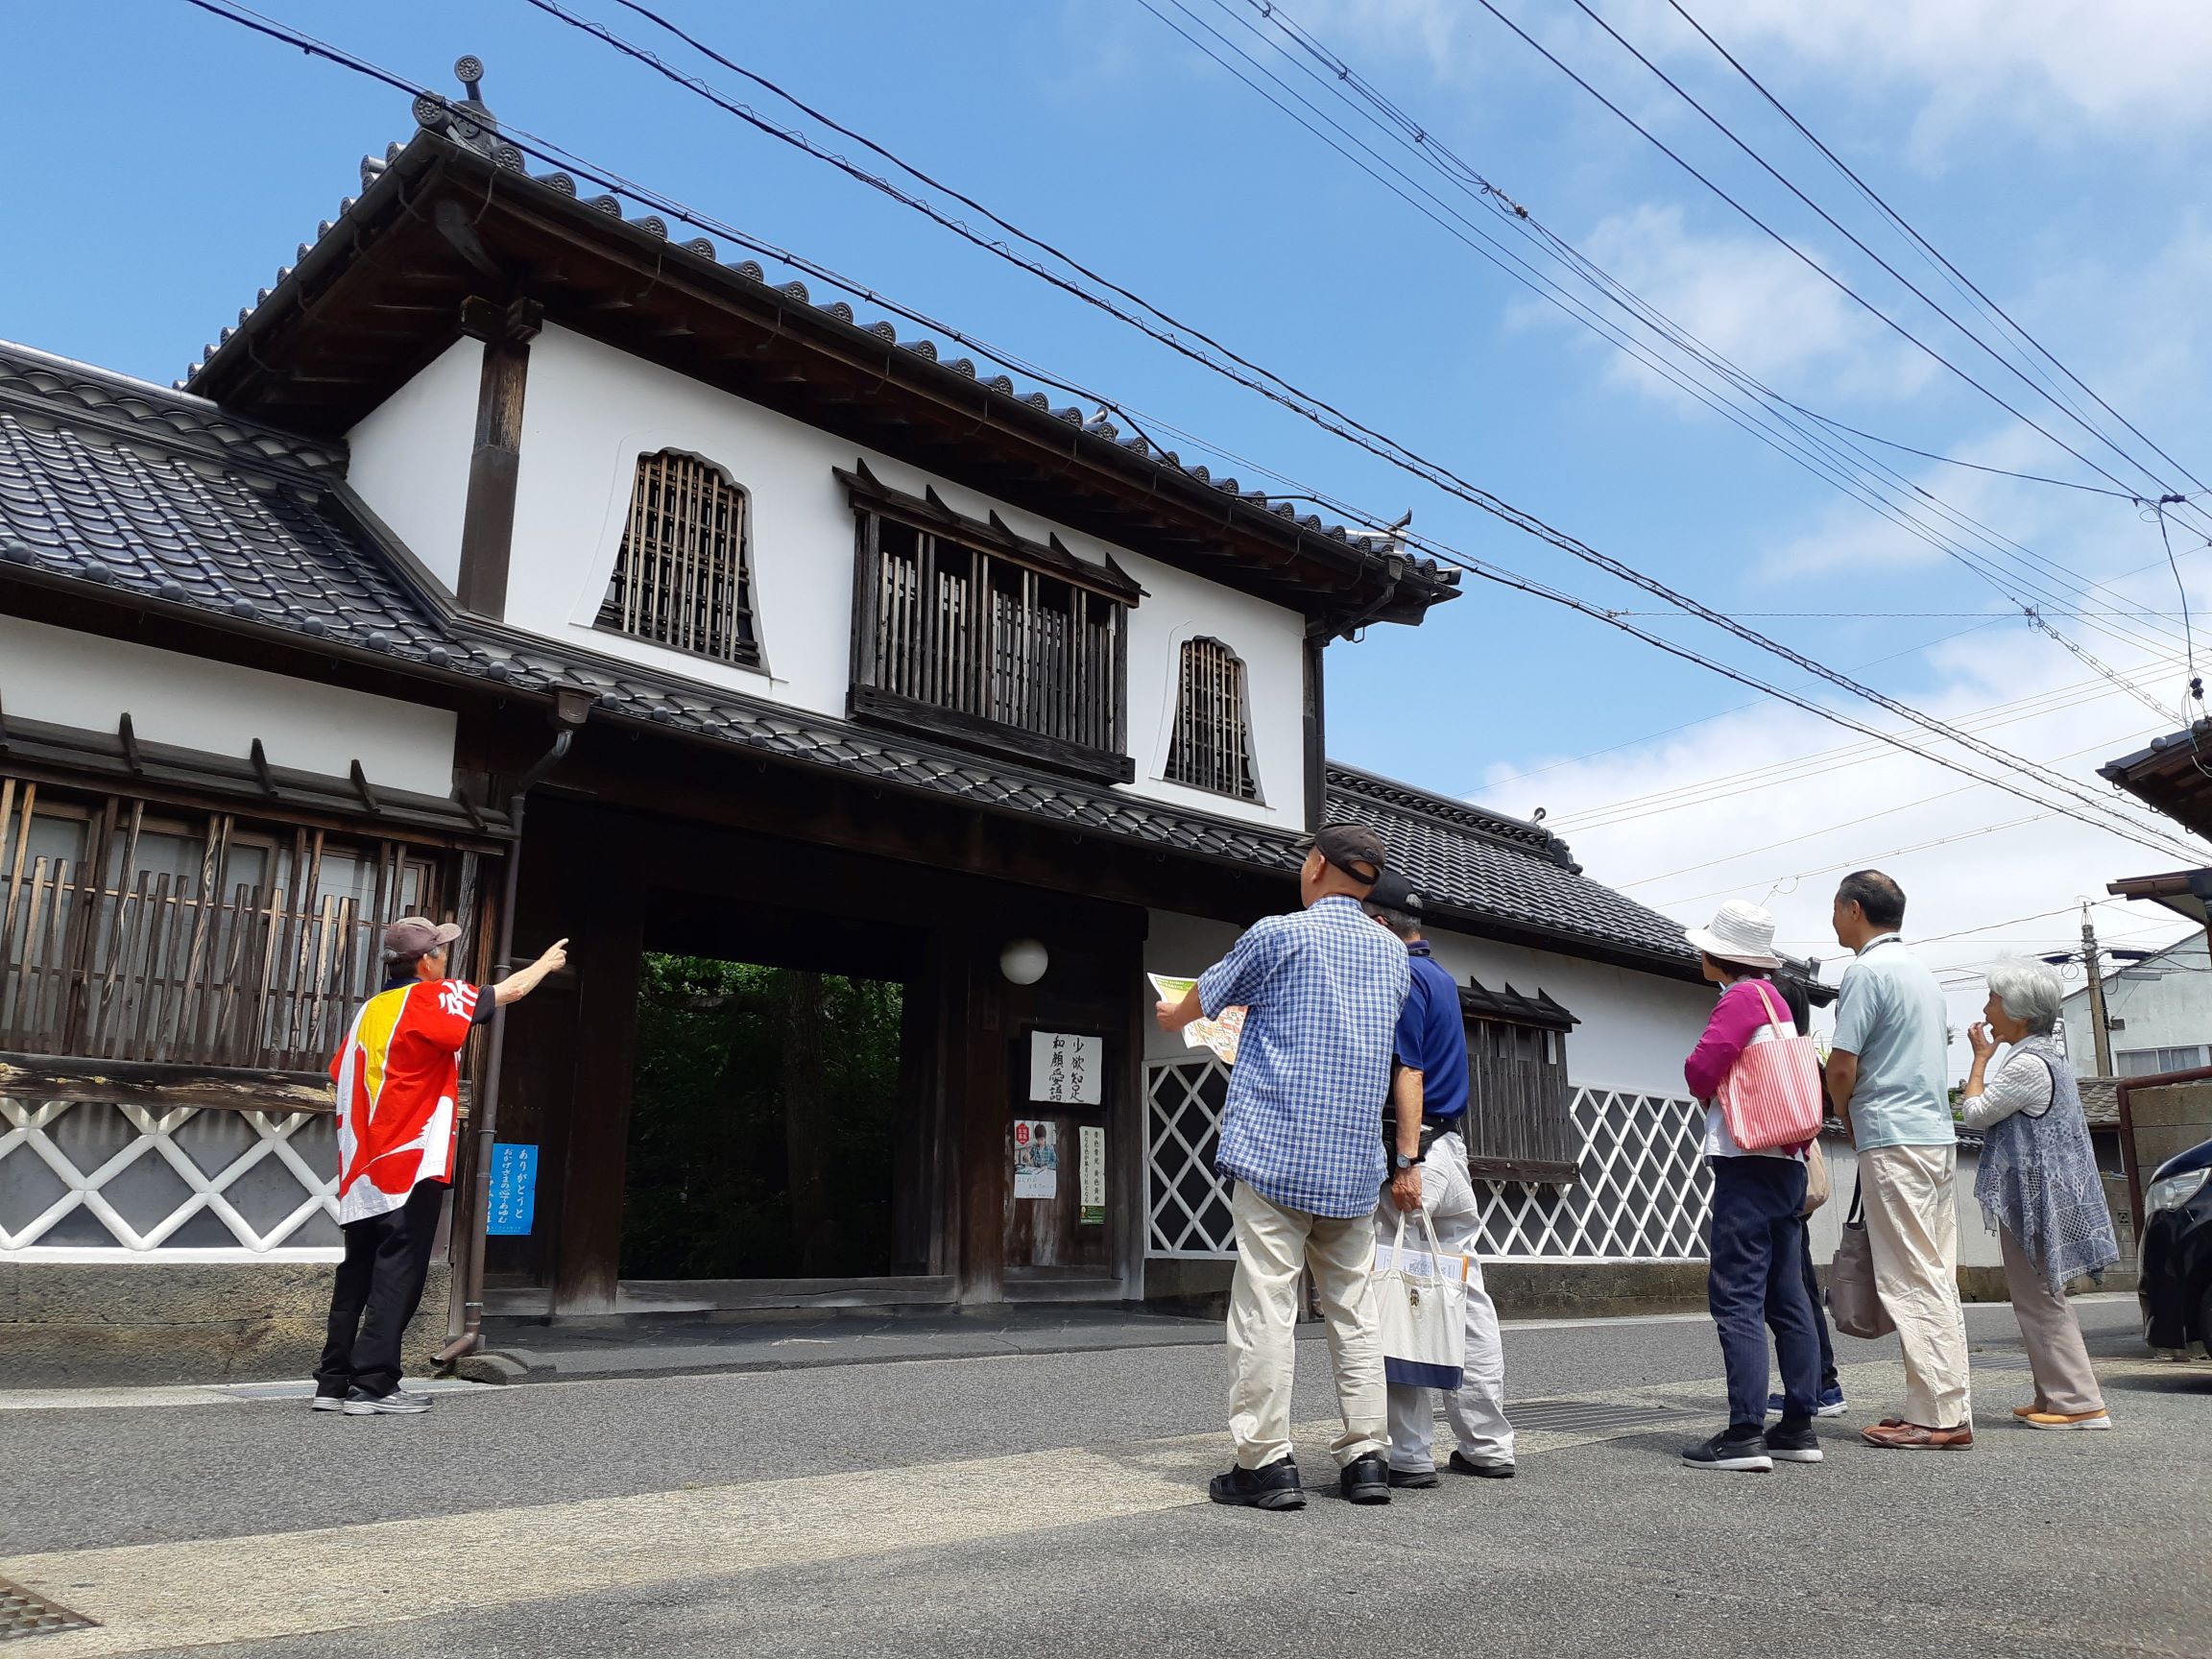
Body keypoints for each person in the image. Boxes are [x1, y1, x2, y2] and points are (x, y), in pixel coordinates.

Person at [1158, 824, 1409, 1510]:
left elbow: (1200, 1000)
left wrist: (1172, 1012)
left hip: (1276, 1150)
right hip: (1352, 1160)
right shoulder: (1392, 953)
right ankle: (1367, 1458)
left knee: (1266, 1303)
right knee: (1354, 1309)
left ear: (1318, 864)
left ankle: (1266, 1462)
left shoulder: (1279, 934)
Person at [315, 917, 567, 1415]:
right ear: (426, 961)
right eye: (442, 951)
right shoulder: (430, 996)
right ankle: (374, 1385)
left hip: (361, 1166)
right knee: (398, 1271)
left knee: (358, 1269)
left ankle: (333, 1380)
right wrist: (544, 964)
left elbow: (338, 1070)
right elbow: (507, 993)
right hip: (409, 1159)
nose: (446, 958)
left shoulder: (370, 1010)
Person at [1361, 872, 1516, 1486]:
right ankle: (1488, 1444)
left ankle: (1409, 1454)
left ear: (1379, 925)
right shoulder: (1441, 976)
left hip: (1415, 1154)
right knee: (1465, 1297)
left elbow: (1410, 1072)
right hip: (1451, 1150)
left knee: (1399, 1293)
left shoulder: (1398, 977)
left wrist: (1404, 1162)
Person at [1676, 901, 1825, 1472]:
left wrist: (1704, 1085)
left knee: (1737, 1293)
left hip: (1747, 1157)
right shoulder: (1778, 1000)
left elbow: (1701, 1069)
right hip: (1788, 1156)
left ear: (1719, 955)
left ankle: (1744, 1433)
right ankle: (1799, 1426)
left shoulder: (1739, 997)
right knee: (1788, 1296)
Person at [1828, 871, 1974, 1450]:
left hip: (1892, 1135)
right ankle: (1940, 1405)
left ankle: (1937, 1418)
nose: (1833, 921)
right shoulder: (1922, 975)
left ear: (1854, 909)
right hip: (1935, 1134)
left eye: (1835, 910)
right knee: (1934, 1271)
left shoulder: (1865, 972)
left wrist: (1843, 1112)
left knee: (1911, 1276)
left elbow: (1843, 1064)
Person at [1963, 960, 2120, 1431]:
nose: (1987, 1010)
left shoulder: (2029, 1064)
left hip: (2037, 1201)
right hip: (2046, 1195)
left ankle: (2079, 1402)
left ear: (2021, 1013)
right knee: (2037, 1296)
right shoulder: (2044, 1056)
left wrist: (1980, 1060)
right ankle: (2052, 1394)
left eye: (1994, 1000)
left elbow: (1975, 1113)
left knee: (2041, 1298)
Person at [1767, 972, 1847, 1421]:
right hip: (1796, 1184)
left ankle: (1818, 1386)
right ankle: (1820, 1383)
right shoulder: (1807, 1058)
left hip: (1778, 1181)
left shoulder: (1780, 1057)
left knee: (1791, 1293)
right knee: (1798, 1288)